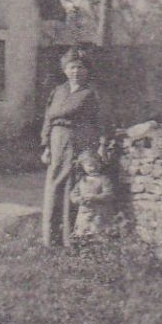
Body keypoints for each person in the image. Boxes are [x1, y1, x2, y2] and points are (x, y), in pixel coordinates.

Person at [40, 45, 103, 247]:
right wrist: (46, 146)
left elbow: (100, 121)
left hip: (80, 140)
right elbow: (48, 120)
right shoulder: (58, 91)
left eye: (80, 68)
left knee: (73, 187)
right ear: (65, 70)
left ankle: (71, 239)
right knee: (54, 186)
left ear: (87, 70)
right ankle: (51, 239)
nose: (76, 72)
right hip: (58, 142)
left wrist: (99, 146)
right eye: (72, 67)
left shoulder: (90, 94)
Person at [70, 149, 116, 242]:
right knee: (83, 230)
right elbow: (73, 195)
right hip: (84, 211)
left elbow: (109, 194)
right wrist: (79, 199)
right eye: (90, 166)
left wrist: (96, 197)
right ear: (83, 167)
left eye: (96, 164)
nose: (93, 168)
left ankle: (99, 246)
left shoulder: (103, 179)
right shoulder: (82, 180)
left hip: (99, 211)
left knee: (98, 230)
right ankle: (84, 245)